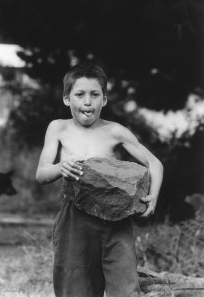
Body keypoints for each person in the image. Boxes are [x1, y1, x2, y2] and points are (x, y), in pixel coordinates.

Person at [36, 63, 163, 297]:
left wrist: (153, 196)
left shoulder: (115, 132)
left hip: (117, 221)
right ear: (66, 98)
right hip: (74, 220)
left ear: (104, 100)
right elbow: (41, 174)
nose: (87, 102)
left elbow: (154, 164)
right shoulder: (58, 128)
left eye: (95, 95)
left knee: (125, 288)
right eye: (79, 94)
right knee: (73, 286)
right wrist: (60, 167)